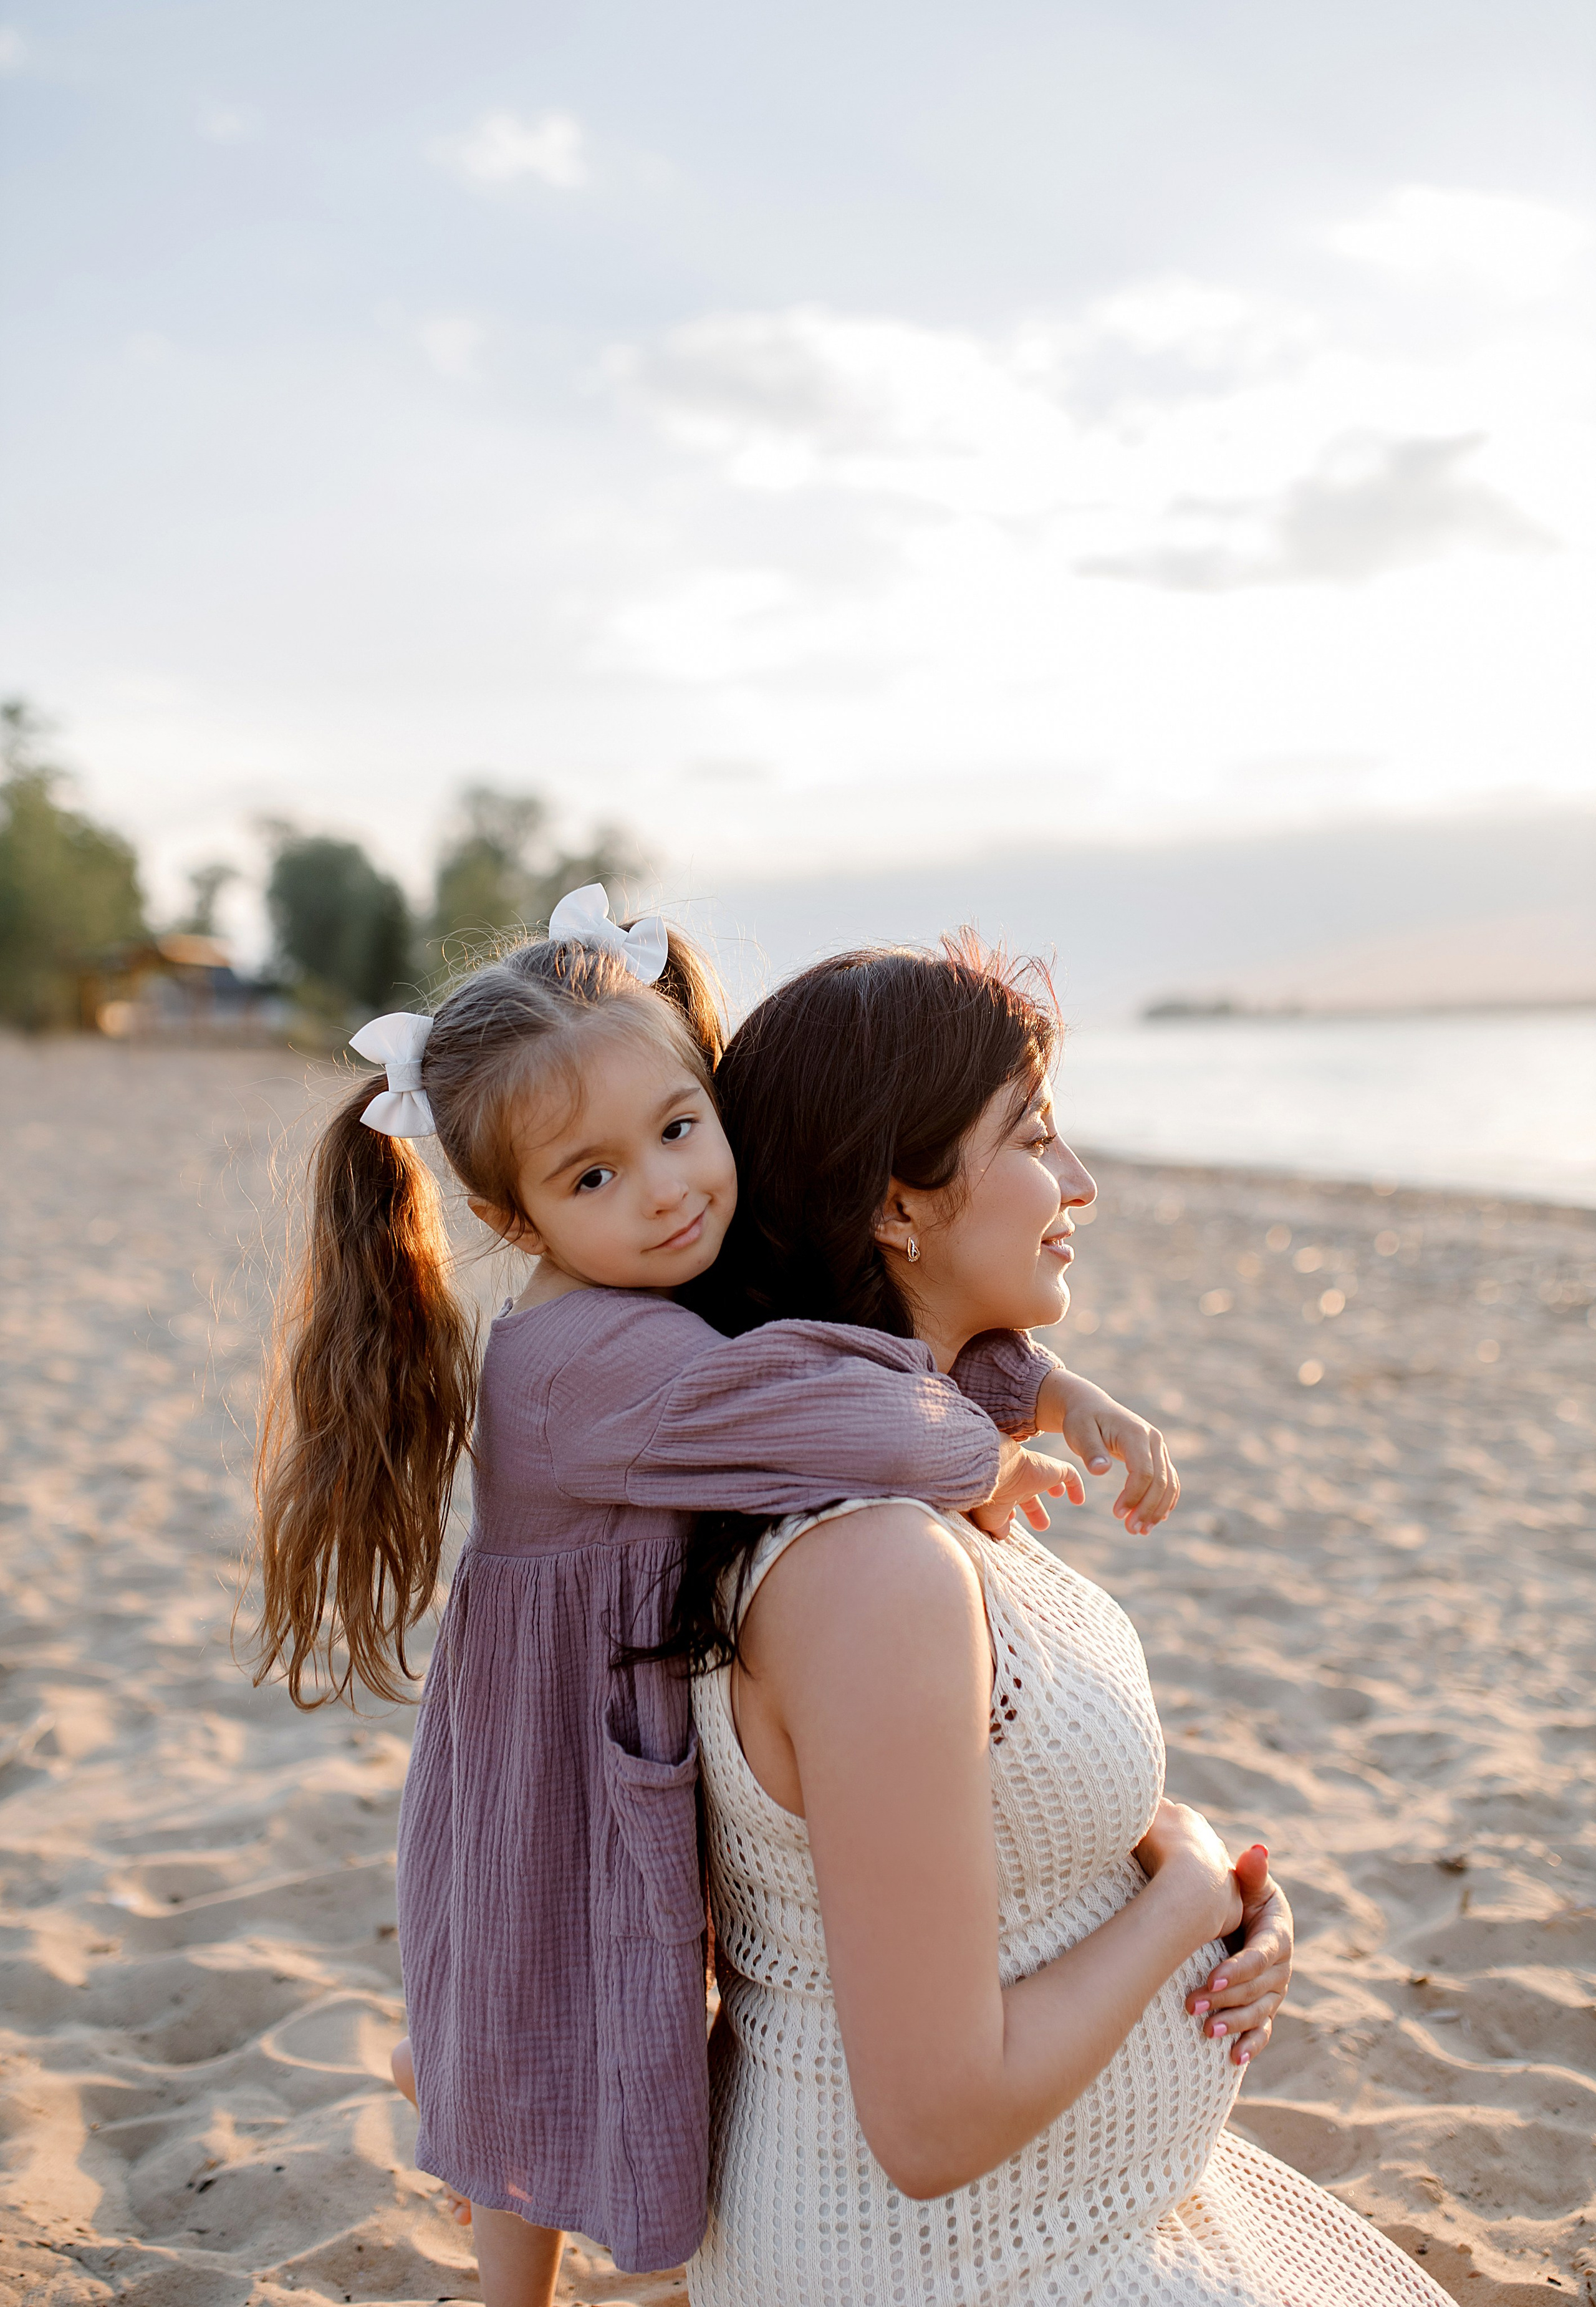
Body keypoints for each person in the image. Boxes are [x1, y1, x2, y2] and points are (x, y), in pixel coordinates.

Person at [251, 892, 1178, 2307]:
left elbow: (839, 1354)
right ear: (509, 1217)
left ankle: (457, 2079)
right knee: (538, 2012)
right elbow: (862, 1414)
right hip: (554, 1736)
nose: (665, 1191)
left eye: (682, 1129)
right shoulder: (583, 1363)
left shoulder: (663, 1283)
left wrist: (1051, 1387)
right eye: (593, 1176)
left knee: (584, 2002)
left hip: (626, 1690)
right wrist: (993, 1449)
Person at [665, 936, 1448, 2305]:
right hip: (959, 2263)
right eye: (1031, 1138)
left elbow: (966, 1805)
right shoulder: (871, 1570)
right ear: (896, 1206)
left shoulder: (908, 1475)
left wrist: (1200, 1886)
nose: (1080, 1180)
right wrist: (1186, 1895)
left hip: (1086, 2209)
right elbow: (931, 2124)